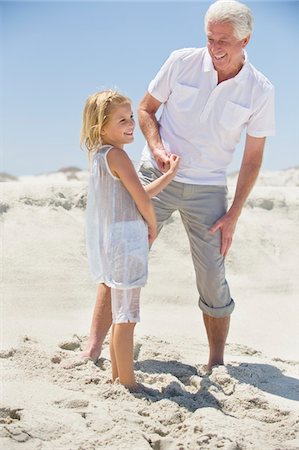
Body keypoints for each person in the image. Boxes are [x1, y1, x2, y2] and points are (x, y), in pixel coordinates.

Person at [138, 0, 275, 371]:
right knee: (128, 254)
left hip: (209, 188)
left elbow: (252, 159)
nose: (214, 47)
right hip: (157, 177)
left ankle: (216, 361)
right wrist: (157, 147)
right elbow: (146, 109)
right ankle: (94, 347)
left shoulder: (260, 90)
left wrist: (233, 214)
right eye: (210, 38)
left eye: (224, 40)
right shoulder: (181, 61)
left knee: (213, 277)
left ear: (246, 39)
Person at [80, 90, 180, 389]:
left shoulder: (101, 156)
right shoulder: (118, 155)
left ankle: (117, 376)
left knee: (122, 312)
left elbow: (139, 192)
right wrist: (151, 225)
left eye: (131, 117)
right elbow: (143, 202)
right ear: (101, 128)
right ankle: (129, 384)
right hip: (127, 240)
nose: (131, 124)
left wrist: (169, 176)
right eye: (122, 120)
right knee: (126, 317)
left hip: (115, 240)